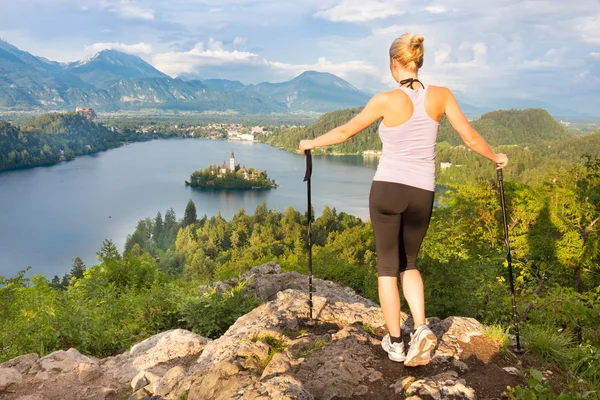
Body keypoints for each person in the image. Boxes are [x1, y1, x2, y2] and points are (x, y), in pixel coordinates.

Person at [298, 33, 508, 367]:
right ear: (418, 62)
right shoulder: (441, 96)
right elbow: (469, 138)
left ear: (394, 63)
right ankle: (421, 328)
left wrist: (310, 142)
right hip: (422, 193)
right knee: (409, 263)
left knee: (386, 269)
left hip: (387, 190)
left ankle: (396, 342)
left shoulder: (386, 100)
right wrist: (495, 156)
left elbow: (344, 134)